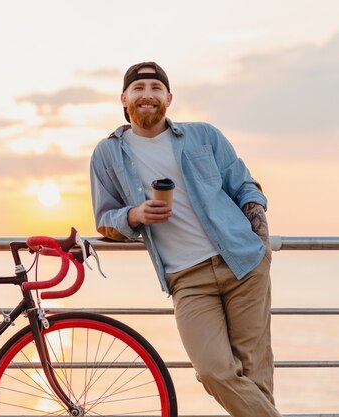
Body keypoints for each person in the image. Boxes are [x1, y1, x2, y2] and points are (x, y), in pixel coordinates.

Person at [89, 61, 281, 417]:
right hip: (186, 278)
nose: (148, 95)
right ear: (124, 98)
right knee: (213, 372)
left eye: (155, 88)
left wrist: (262, 242)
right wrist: (134, 215)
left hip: (242, 261)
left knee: (254, 373)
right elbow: (104, 219)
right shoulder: (107, 152)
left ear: (169, 98)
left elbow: (244, 185)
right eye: (139, 88)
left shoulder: (204, 135)